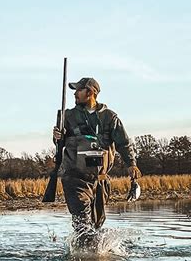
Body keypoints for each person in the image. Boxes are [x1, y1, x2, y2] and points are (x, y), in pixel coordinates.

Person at [53, 76, 141, 244]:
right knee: (82, 224)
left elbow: (124, 143)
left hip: (100, 181)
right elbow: (60, 143)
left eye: (79, 90)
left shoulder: (109, 117)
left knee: (96, 226)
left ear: (90, 92)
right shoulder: (68, 116)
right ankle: (84, 257)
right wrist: (57, 137)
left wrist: (131, 165)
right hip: (75, 179)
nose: (75, 94)